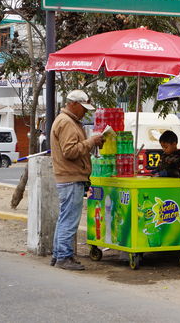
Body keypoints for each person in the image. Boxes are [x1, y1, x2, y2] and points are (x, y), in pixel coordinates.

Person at [50, 90, 104, 270]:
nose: (85, 112)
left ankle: (59, 254)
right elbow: (70, 151)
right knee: (69, 218)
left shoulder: (67, 121)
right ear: (73, 104)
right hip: (70, 176)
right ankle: (64, 257)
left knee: (65, 217)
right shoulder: (66, 123)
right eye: (83, 108)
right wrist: (91, 142)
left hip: (69, 176)